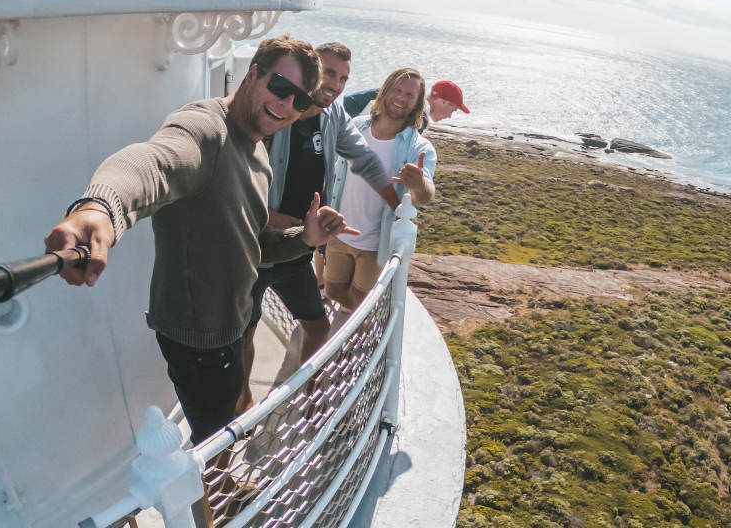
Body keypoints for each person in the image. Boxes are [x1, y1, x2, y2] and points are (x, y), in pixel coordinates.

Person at [43, 36, 357, 446]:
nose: (286, 106)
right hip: (199, 339)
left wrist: (307, 237)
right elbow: (152, 162)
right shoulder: (206, 130)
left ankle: (223, 472)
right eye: (280, 87)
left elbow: (255, 242)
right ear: (253, 74)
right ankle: (222, 495)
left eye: (299, 102)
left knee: (227, 413)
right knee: (214, 439)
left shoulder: (257, 150)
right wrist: (100, 207)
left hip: (232, 320)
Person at [238, 42, 400, 413]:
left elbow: (365, 160)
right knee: (245, 331)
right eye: (329, 74)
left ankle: (306, 397)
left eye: (343, 78)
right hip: (258, 245)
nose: (336, 85)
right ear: (309, 73)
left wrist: (399, 205)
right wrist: (265, 212)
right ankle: (242, 404)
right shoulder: (275, 113)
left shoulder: (334, 116)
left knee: (316, 326)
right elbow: (238, 168)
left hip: (299, 244)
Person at [324, 68, 437, 311]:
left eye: (410, 94)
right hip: (339, 231)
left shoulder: (419, 147)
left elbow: (425, 197)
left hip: (376, 242)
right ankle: (353, 325)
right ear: (385, 91)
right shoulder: (355, 126)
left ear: (417, 103)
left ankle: (355, 339)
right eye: (397, 89)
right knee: (333, 289)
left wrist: (418, 183)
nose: (401, 97)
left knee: (361, 302)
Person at [342, 79, 470, 132]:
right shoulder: (421, 119)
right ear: (443, 101)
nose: (449, 116)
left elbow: (350, 100)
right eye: (453, 110)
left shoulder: (396, 92)